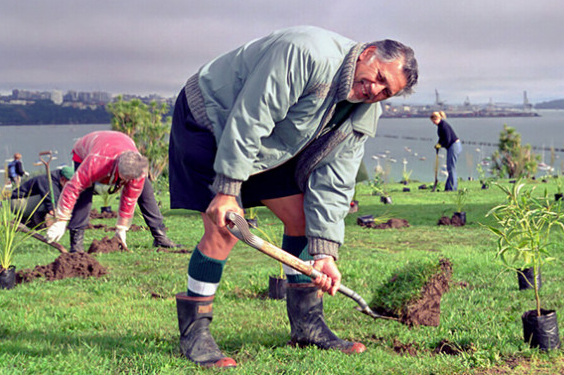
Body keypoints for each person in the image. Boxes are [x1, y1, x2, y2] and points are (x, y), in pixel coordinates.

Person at [168, 26, 417, 368]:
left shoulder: (362, 112)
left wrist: (325, 251)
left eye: (385, 91)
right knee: (224, 228)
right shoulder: (305, 54)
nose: (374, 90)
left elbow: (336, 179)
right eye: (377, 77)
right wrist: (228, 190)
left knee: (301, 217)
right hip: (211, 120)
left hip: (268, 142)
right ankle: (195, 333)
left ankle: (307, 326)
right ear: (368, 53)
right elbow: (250, 116)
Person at [45, 130, 181, 252]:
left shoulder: (139, 168)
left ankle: (160, 235)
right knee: (84, 194)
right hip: (87, 149)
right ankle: (76, 243)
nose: (126, 183)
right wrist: (61, 220)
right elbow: (73, 188)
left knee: (146, 191)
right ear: (117, 168)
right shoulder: (96, 162)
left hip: (120, 143)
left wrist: (122, 229)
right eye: (124, 179)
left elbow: (129, 198)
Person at [10, 166, 74, 229]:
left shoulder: (56, 182)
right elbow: (53, 209)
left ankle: (25, 221)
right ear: (62, 179)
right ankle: (38, 223)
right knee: (49, 200)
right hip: (18, 202)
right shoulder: (48, 183)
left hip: (26, 202)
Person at [430, 111, 462, 191]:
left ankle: (453, 188)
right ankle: (448, 187)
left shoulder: (444, 126)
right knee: (449, 167)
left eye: (433, 120)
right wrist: (438, 144)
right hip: (451, 147)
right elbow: (442, 138)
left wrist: (441, 145)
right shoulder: (440, 126)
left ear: (437, 118)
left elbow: (448, 140)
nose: (433, 123)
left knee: (451, 167)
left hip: (454, 146)